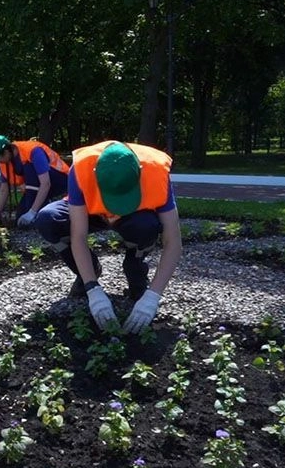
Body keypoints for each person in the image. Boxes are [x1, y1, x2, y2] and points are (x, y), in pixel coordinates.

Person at [35, 141, 183, 334]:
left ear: (139, 172)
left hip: (134, 217)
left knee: (147, 227)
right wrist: (92, 288)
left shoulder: (156, 171)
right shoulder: (81, 168)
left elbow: (173, 241)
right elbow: (78, 236)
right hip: (92, 212)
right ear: (96, 173)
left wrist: (153, 296)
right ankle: (88, 271)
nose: (113, 213)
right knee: (48, 220)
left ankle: (135, 266)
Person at [0, 135, 69, 228]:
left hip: (59, 180)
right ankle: (39, 208)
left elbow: (46, 183)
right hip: (35, 186)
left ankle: (43, 210)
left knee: (29, 169)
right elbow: (4, 189)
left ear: (6, 152)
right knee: (20, 219)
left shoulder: (33, 151)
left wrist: (32, 212)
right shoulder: (6, 161)